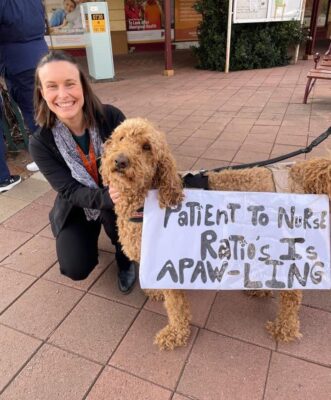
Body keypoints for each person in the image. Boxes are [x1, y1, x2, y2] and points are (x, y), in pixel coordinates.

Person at [29, 51, 136, 293]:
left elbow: (133, 158)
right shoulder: (40, 142)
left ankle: (124, 258)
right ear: (42, 93)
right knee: (75, 266)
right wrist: (105, 198)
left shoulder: (111, 116)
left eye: (70, 84)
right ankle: (89, 233)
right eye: (52, 86)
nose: (63, 94)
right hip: (78, 203)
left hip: (118, 193)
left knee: (118, 220)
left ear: (83, 86)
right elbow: (68, 189)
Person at [0, 0, 48, 172]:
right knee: (45, 107)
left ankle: (47, 158)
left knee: (33, 112)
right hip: (40, 56)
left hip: (17, 62)